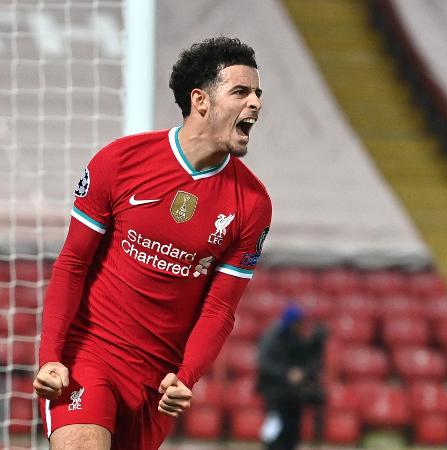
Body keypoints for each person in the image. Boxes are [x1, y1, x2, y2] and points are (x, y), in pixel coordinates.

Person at [33, 37, 272, 450]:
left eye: (257, 94)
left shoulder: (253, 204)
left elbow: (219, 309)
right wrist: (51, 356)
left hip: (156, 382)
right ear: (201, 100)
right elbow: (72, 263)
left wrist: (187, 376)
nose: (255, 103)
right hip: (90, 354)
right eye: (241, 92)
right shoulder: (119, 162)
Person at [257, 305, 327, 450]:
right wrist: (287, 373)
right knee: (274, 431)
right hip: (275, 394)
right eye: (298, 322)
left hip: (294, 395)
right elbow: (265, 363)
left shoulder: (298, 337)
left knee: (292, 434)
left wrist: (317, 344)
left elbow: (308, 362)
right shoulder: (272, 337)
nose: (301, 325)